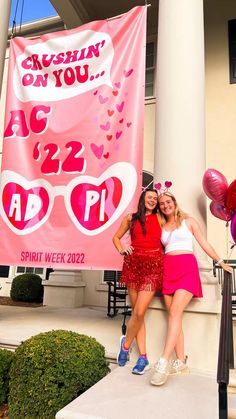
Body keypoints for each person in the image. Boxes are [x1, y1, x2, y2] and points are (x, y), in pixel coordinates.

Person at [150, 192, 233, 386]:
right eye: (161, 204)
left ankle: (164, 362)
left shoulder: (189, 221)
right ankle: (180, 362)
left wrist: (220, 262)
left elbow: (204, 243)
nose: (165, 206)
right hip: (168, 269)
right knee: (174, 315)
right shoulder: (161, 225)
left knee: (175, 313)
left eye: (168, 202)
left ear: (174, 202)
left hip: (187, 268)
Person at [113, 188, 164, 375]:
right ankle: (143, 357)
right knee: (138, 314)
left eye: (155, 199)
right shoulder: (130, 218)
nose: (152, 200)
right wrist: (122, 249)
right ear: (143, 199)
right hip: (133, 266)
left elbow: (177, 218)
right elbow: (116, 238)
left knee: (140, 311)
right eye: (149, 197)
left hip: (153, 267)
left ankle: (125, 345)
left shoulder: (160, 218)